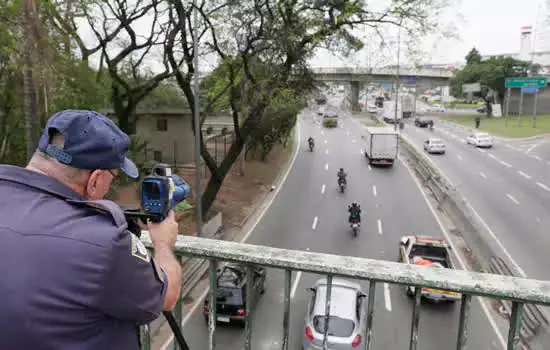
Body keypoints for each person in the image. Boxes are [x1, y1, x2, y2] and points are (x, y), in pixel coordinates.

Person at [0, 110, 183, 350]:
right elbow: (167, 296)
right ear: (95, 179)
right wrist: (163, 244)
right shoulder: (103, 242)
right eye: (113, 177)